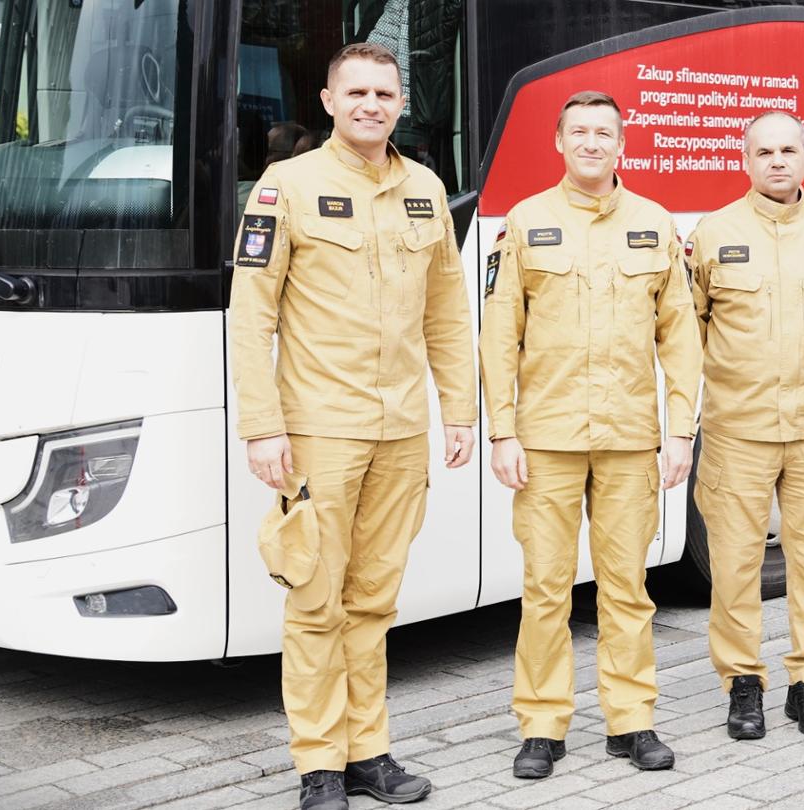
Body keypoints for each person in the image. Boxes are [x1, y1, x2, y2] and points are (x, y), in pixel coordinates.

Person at [229, 42, 476, 810]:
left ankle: (369, 753)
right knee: (315, 602)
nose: (372, 105)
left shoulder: (426, 190)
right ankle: (319, 767)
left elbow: (446, 311)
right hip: (318, 434)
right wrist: (262, 427)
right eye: (357, 93)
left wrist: (460, 410)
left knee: (374, 603)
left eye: (385, 93)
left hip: (401, 432)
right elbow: (250, 314)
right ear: (331, 102)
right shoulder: (285, 187)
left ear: (401, 103)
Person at [478, 90, 702, 780]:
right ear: (559, 142)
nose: (593, 143)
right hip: (544, 439)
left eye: (605, 132)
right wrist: (501, 432)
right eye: (580, 132)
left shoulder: (655, 223)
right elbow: (498, 334)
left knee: (626, 586)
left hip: (630, 437)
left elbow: (682, 336)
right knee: (546, 587)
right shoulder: (525, 222)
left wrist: (680, 433)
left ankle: (631, 722)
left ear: (621, 144)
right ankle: (542, 725)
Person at [685, 111, 804, 741]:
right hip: (737, 432)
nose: (776, 161)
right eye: (763, 151)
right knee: (735, 567)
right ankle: (743, 685)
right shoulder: (713, 234)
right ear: (746, 160)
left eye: (788, 149)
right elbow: (694, 321)